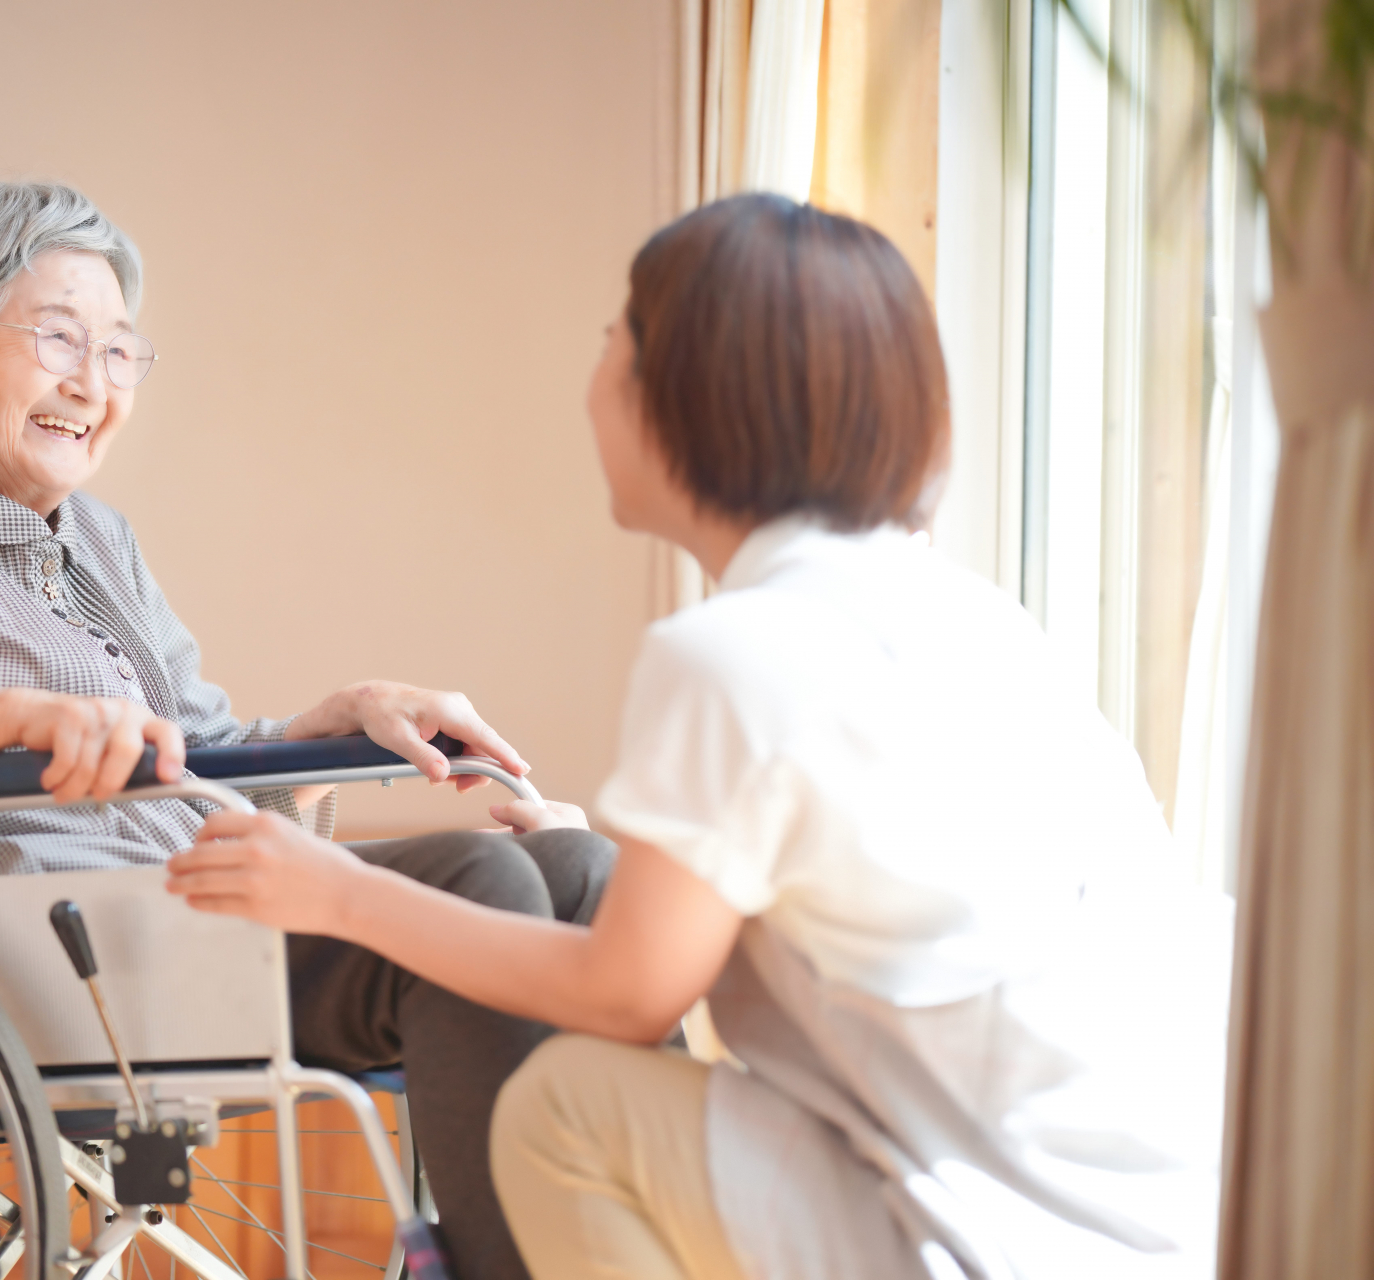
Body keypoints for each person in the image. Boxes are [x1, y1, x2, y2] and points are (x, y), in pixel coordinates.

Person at [166, 194, 1230, 1279]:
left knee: (564, 1105)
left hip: (994, 1231)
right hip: (1161, 1216)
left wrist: (337, 892)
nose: (594, 383)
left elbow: (627, 996)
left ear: (685, 395)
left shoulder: (736, 650)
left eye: (613, 342)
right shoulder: (970, 617)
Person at [0, 180, 616, 1280]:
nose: (91, 383)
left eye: (117, 351)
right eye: (59, 338)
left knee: (577, 869)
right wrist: (17, 714)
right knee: (481, 880)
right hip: (36, 946)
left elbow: (201, 757)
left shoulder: (100, 541)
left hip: (181, 911)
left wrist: (333, 720)